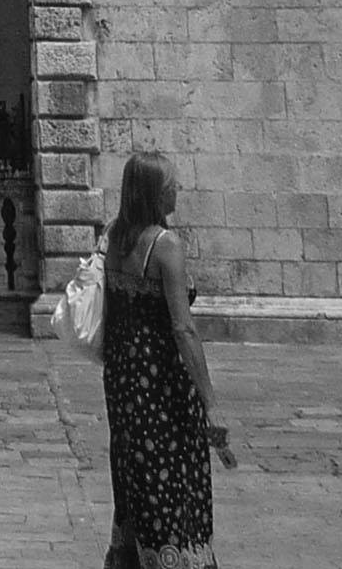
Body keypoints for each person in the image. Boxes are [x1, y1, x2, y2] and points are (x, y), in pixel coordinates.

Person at [101, 149, 233, 569]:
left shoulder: (115, 238)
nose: (178, 189)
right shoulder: (165, 246)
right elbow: (183, 328)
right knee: (173, 482)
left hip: (124, 381)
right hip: (162, 386)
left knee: (136, 478)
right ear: (155, 193)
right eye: (172, 184)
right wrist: (210, 402)